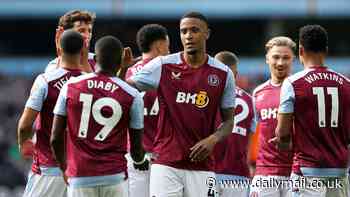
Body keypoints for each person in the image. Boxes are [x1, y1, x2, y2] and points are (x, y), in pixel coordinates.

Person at [127, 11, 235, 197]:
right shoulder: (163, 65)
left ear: (207, 34)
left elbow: (229, 122)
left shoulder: (223, 73)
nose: (188, 36)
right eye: (184, 31)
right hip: (165, 163)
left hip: (203, 165)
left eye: (194, 30)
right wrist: (120, 71)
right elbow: (126, 89)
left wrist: (213, 139)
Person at [51, 35, 148, 197]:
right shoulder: (132, 95)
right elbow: (136, 149)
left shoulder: (71, 86)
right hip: (115, 178)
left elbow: (55, 138)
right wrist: (140, 161)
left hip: (80, 176)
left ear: (95, 59)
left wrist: (64, 167)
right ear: (121, 61)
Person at [271, 25, 350, 197]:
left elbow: (283, 133)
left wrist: (283, 142)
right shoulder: (346, 84)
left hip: (306, 171)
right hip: (340, 171)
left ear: (300, 50)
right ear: (326, 51)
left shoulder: (293, 83)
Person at [17, 30, 85, 197]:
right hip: (82, 171)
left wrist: (23, 142)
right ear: (83, 51)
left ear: (59, 49)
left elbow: (25, 125)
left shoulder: (45, 81)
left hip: (49, 169)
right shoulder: (90, 83)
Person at [125, 24, 169, 197]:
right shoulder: (169, 71)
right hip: (164, 155)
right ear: (158, 46)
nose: (169, 50)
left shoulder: (127, 73)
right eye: (167, 45)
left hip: (135, 154)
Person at [250, 36, 296, 197]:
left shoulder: (301, 90)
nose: (280, 62)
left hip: (296, 173)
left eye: (286, 58)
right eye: (276, 57)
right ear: (267, 59)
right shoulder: (258, 93)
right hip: (264, 173)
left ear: (293, 60)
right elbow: (252, 133)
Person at [213, 51, 255, 197]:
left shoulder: (204, 95)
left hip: (207, 172)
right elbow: (251, 140)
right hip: (239, 174)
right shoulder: (250, 100)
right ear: (236, 74)